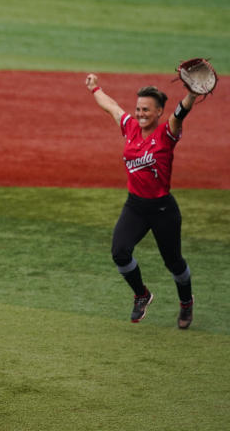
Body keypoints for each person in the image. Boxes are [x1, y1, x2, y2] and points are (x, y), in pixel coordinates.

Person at [85, 73, 201, 328]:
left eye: (146, 109)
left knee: (174, 262)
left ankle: (186, 303)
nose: (140, 114)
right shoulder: (130, 128)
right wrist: (95, 89)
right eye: (138, 109)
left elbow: (180, 113)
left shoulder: (166, 134)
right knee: (120, 252)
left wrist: (192, 94)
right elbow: (112, 107)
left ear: (159, 112)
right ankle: (142, 294)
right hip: (135, 207)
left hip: (163, 210)